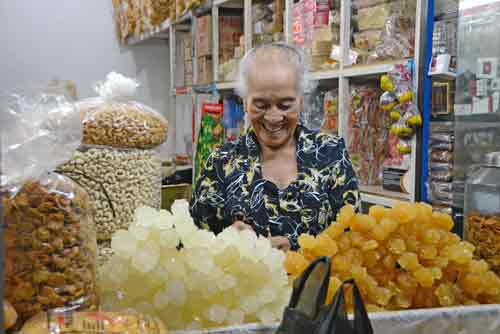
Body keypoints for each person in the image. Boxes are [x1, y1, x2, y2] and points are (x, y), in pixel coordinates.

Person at [190, 43, 359, 251]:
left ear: (301, 101)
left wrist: (299, 248)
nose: (273, 117)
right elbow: (193, 243)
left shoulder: (331, 154)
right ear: (244, 102)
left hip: (318, 283)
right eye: (260, 105)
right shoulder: (221, 162)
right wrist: (228, 239)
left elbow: (353, 237)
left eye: (285, 105)